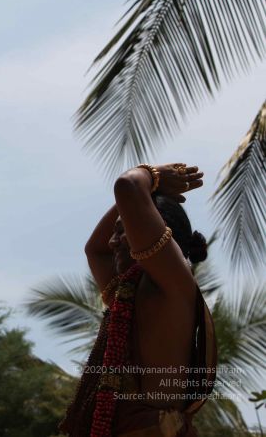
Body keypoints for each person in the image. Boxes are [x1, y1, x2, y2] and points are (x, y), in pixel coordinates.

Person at [59, 163, 217, 437]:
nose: (112, 241)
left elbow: (128, 186)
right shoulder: (129, 292)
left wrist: (152, 176)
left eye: (122, 230)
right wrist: (152, 188)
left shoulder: (171, 285)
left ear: (159, 230)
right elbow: (95, 250)